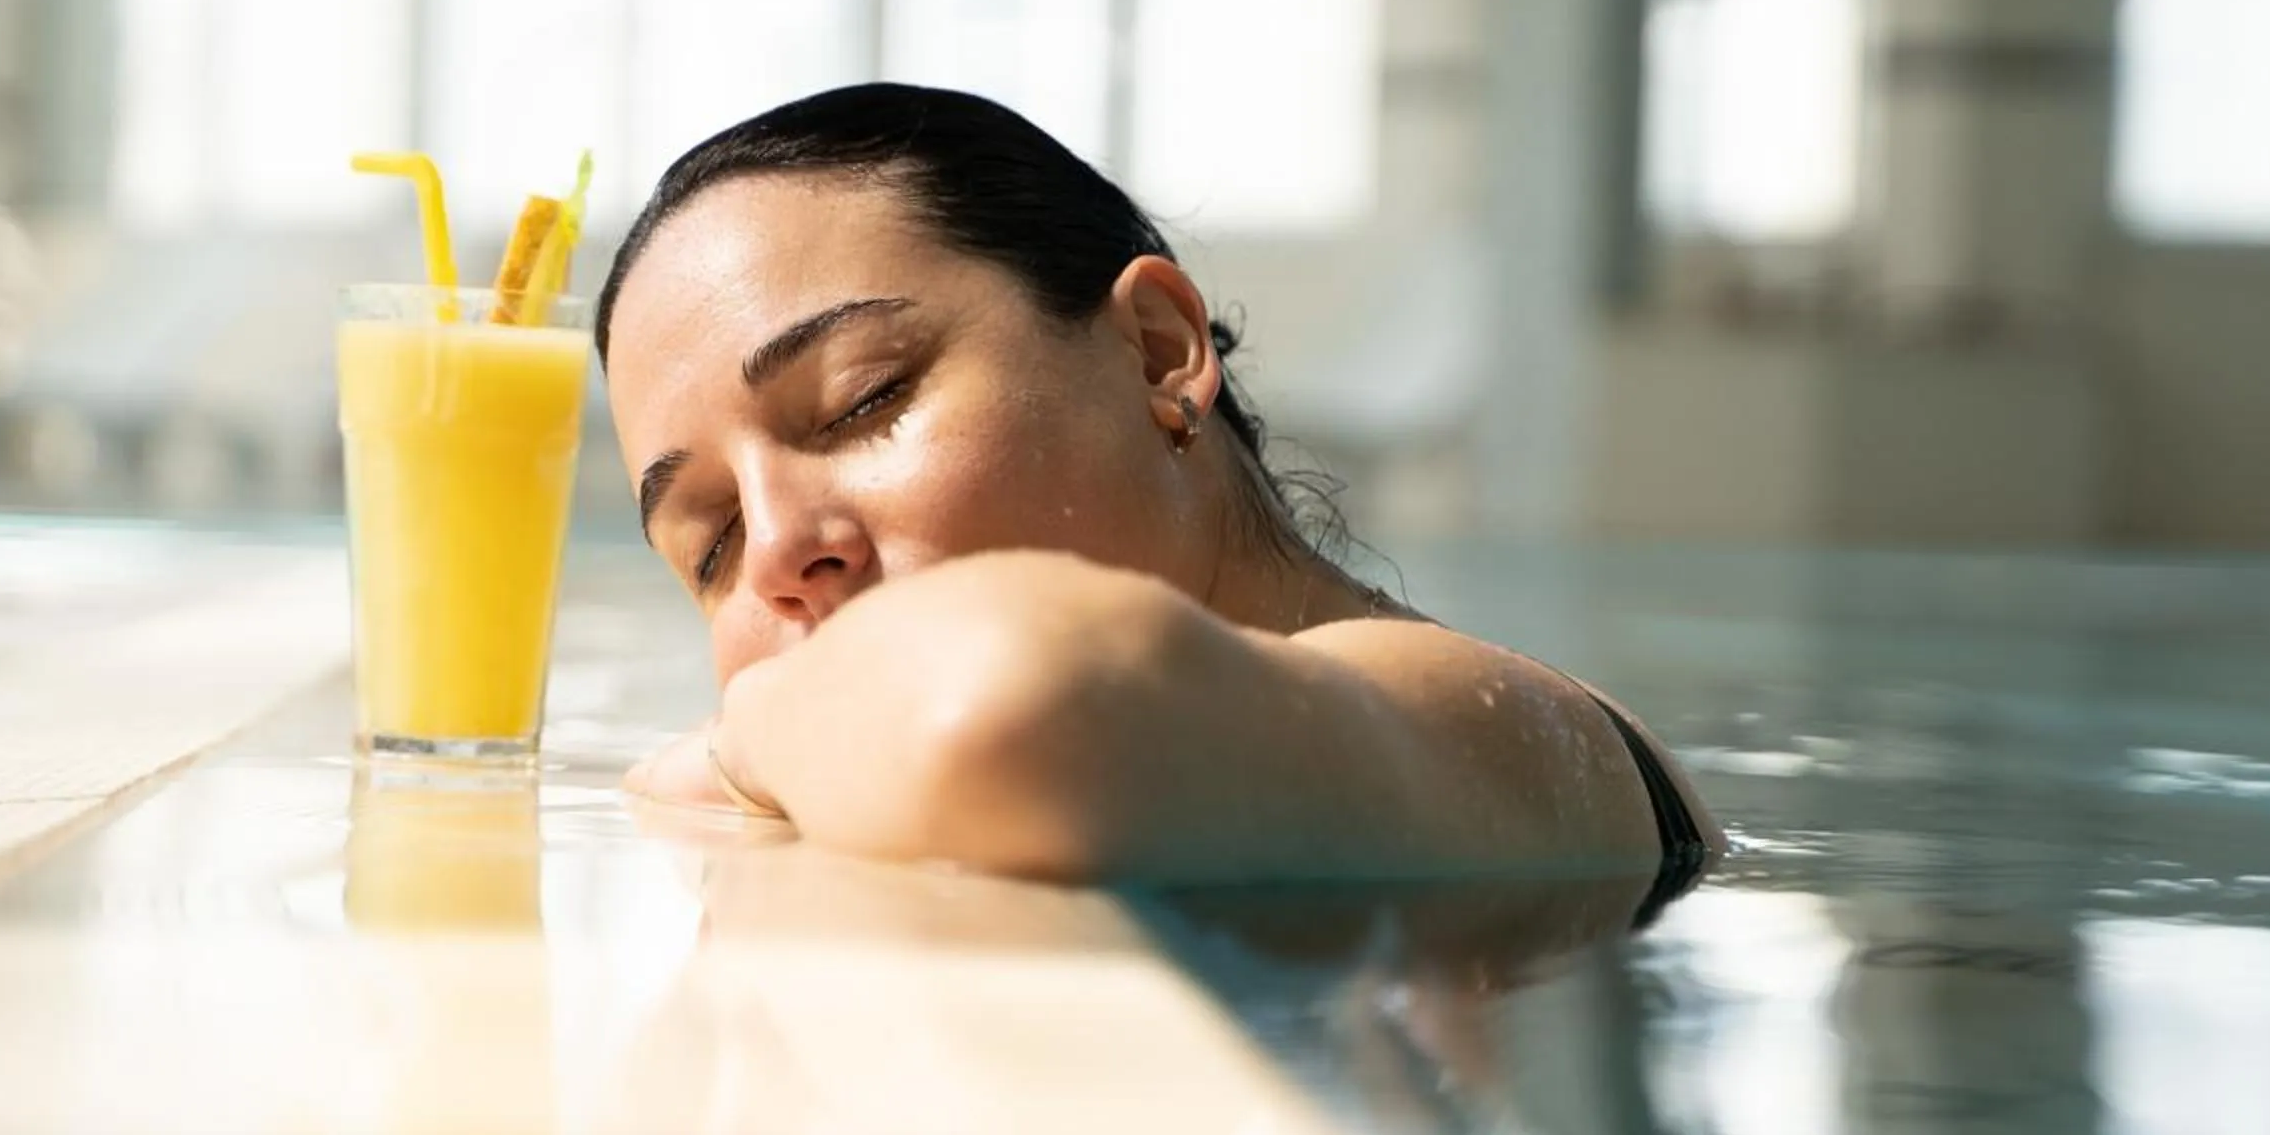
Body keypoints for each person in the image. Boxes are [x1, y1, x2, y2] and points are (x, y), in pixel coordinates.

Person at [596, 82, 1717, 916]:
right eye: (712, 541)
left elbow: (1012, 720)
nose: (780, 544)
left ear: (1157, 351)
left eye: (863, 399)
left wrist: (742, 742)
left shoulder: (1497, 724)